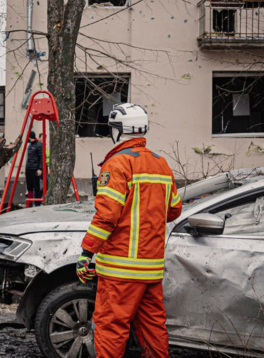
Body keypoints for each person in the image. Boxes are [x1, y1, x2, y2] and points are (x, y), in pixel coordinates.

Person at [75, 103, 182, 357]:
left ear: (119, 131)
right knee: (153, 331)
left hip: (120, 270)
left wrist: (86, 254)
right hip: (151, 269)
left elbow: (106, 217)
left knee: (111, 329)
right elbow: (174, 210)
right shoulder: (161, 164)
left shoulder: (117, 164)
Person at [24, 131, 43, 207]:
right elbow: (28, 158)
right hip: (29, 168)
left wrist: (40, 169)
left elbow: (41, 158)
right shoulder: (30, 145)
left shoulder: (38, 145)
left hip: (35, 169)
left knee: (36, 186)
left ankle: (37, 204)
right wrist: (26, 169)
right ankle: (29, 204)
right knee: (29, 187)